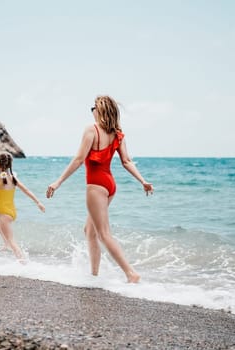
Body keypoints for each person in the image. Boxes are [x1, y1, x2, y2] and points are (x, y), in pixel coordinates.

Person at [46, 95, 154, 283]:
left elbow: (79, 160)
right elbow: (127, 161)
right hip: (109, 185)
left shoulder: (92, 130)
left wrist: (58, 182)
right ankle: (94, 275)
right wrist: (142, 180)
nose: (92, 111)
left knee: (103, 233)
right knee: (89, 230)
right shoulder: (117, 133)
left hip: (96, 185)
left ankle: (130, 273)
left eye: (93, 108)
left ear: (101, 110)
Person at [0, 151, 45, 261]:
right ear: (9, 164)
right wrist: (38, 202)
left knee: (13, 242)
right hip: (11, 212)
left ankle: (24, 263)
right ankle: (6, 242)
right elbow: (26, 190)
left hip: (3, 214)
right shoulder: (13, 178)